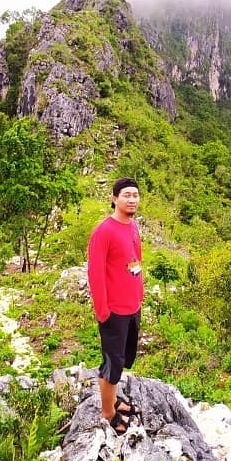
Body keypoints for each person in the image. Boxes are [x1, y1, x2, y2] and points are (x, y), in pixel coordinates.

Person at [87, 177, 145, 434]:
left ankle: (112, 400)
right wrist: (103, 311)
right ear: (114, 199)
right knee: (113, 361)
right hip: (114, 310)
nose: (132, 199)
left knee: (123, 359)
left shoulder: (132, 226)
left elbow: (136, 259)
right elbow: (95, 273)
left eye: (135, 195)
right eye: (126, 195)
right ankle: (107, 412)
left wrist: (140, 292)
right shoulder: (104, 231)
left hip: (132, 305)